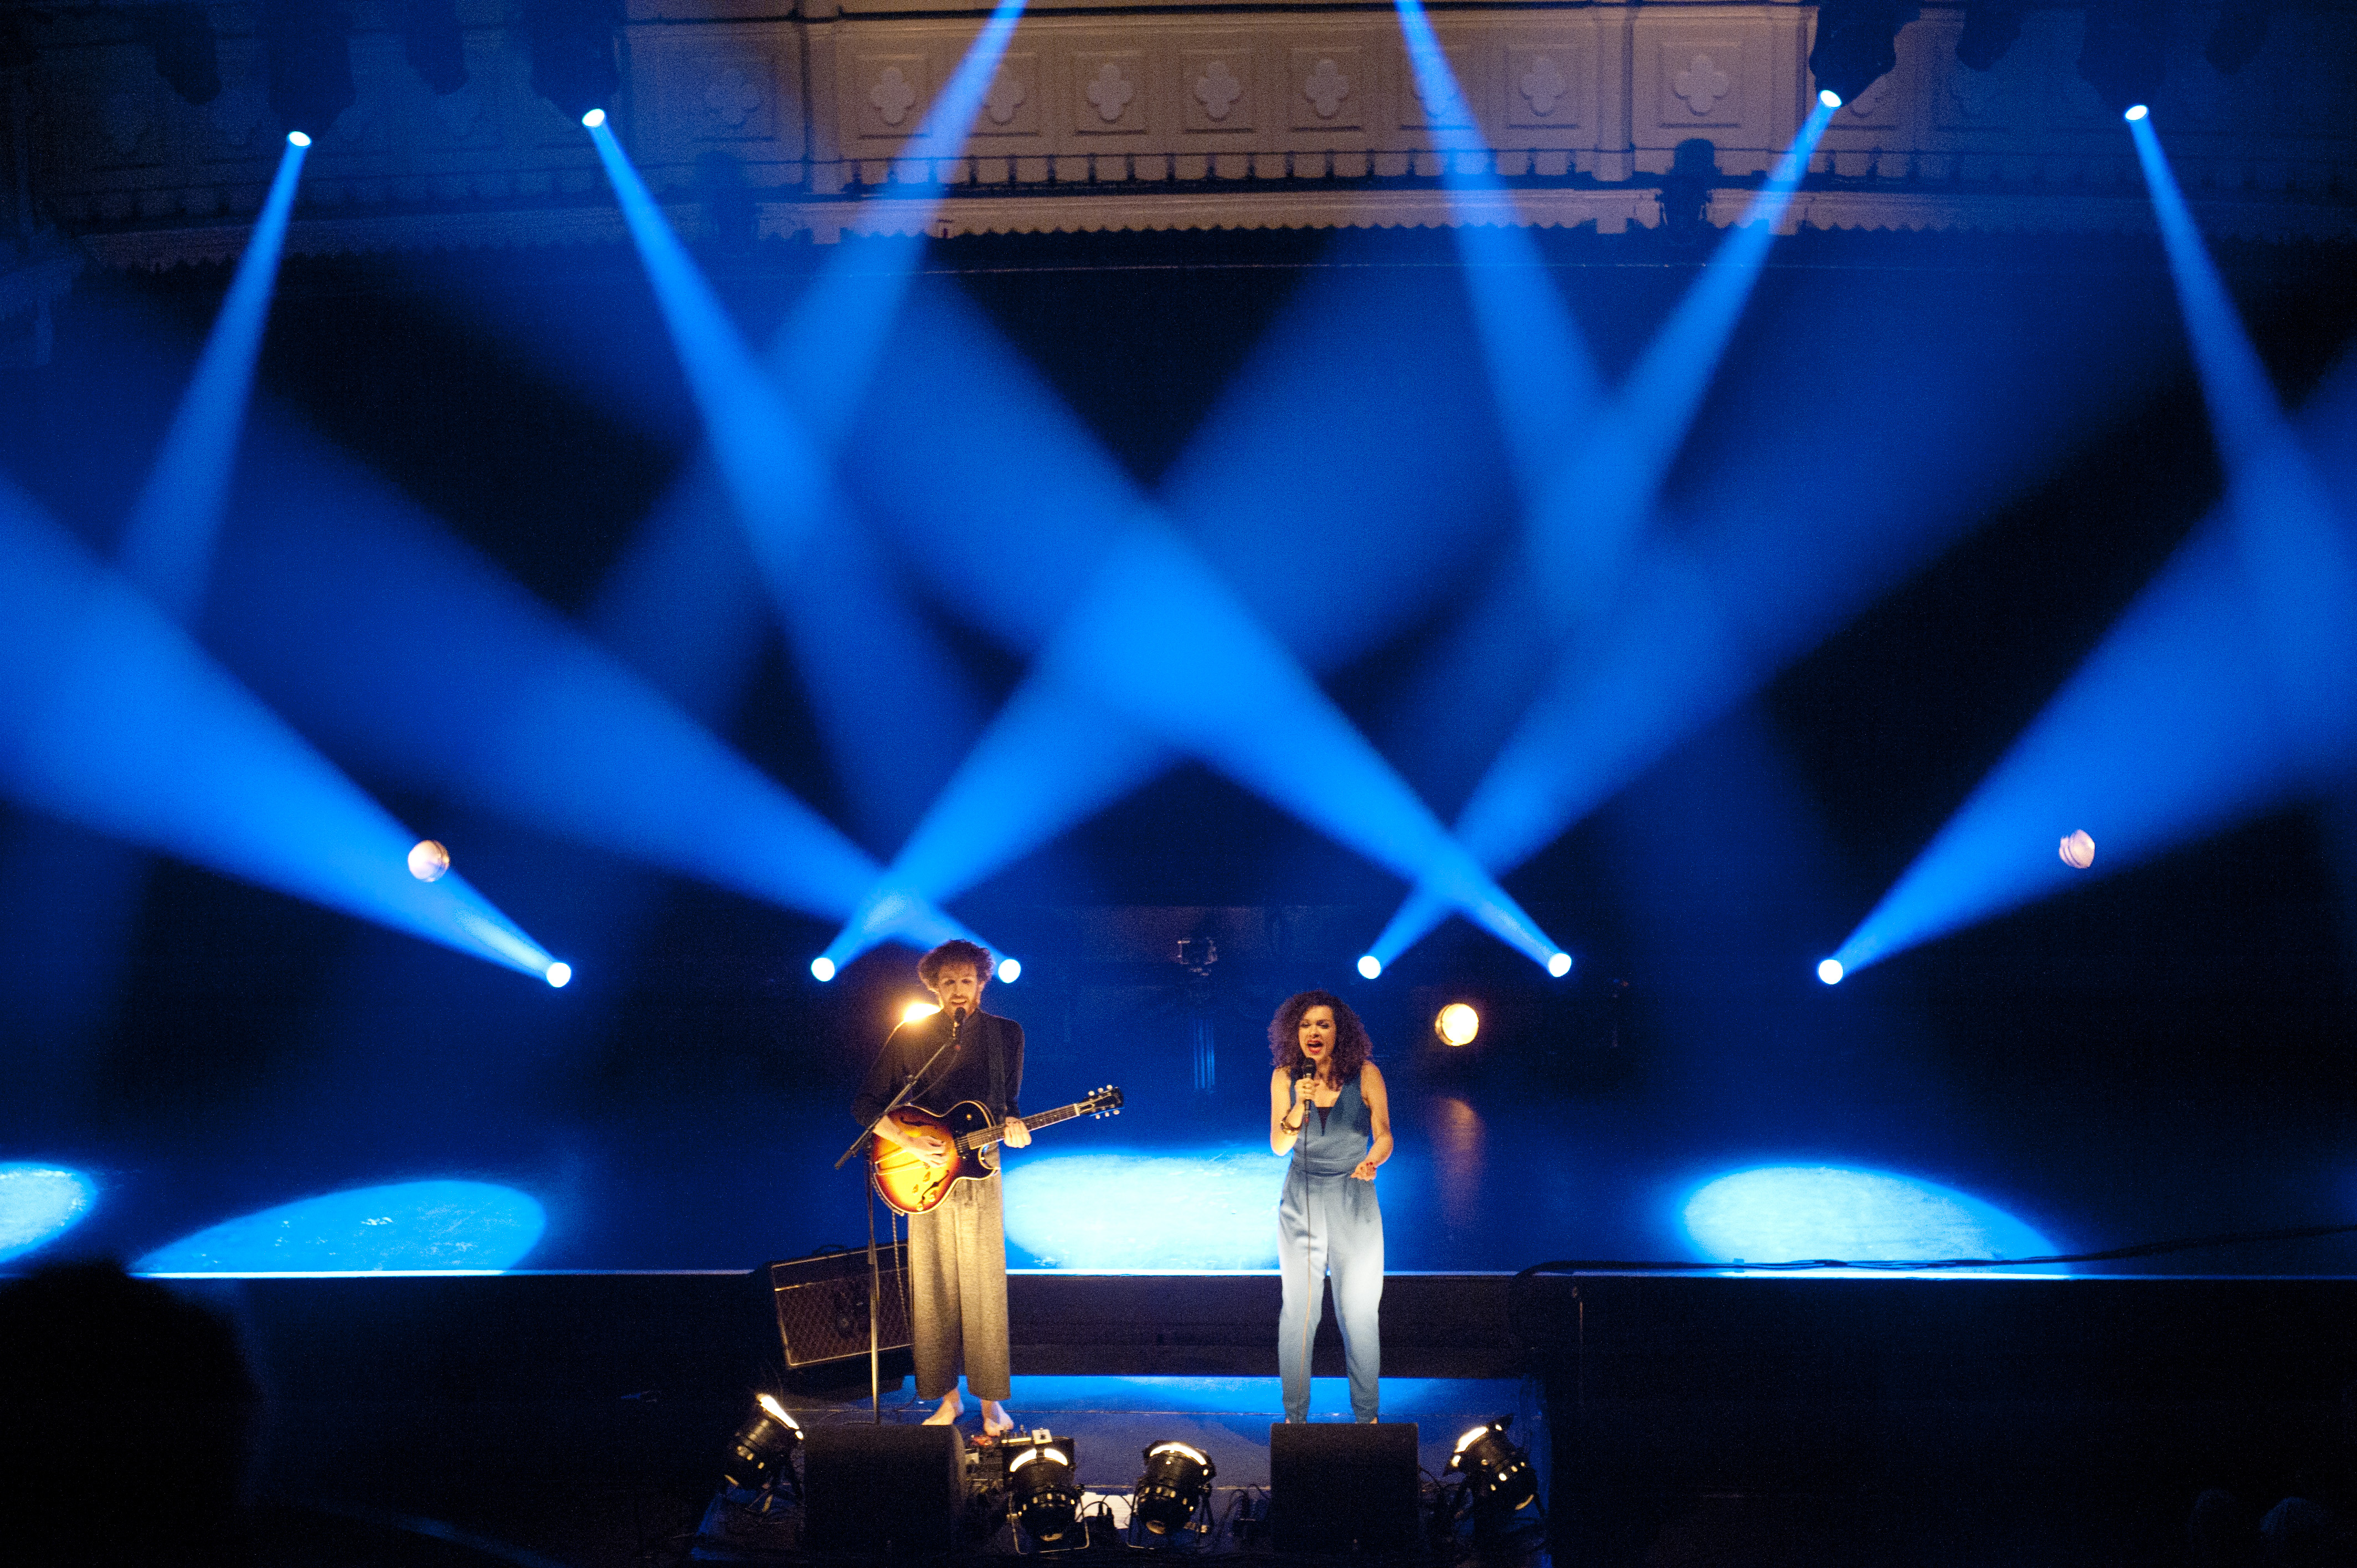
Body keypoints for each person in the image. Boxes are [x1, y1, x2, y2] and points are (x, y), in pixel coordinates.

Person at [851, 938, 1029, 1438]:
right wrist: (906, 1139)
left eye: (966, 981)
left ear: (981, 983)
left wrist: (1013, 1127)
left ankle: (993, 1407)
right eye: (947, 982)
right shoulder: (911, 1035)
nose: (957, 990)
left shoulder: (1005, 1035)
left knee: (984, 1290)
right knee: (931, 1289)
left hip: (980, 1167)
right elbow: (866, 1107)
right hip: (921, 1169)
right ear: (932, 986)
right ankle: (947, 1400)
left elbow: (1008, 1104)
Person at [1269, 989, 1392, 1423]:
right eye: (1305, 1025)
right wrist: (1297, 1110)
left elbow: (1384, 1135)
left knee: (1358, 1312)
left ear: (1340, 1031)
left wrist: (1373, 1159)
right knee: (1299, 1312)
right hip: (1301, 1199)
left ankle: (1367, 1418)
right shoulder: (1286, 1079)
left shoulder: (1366, 1074)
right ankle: (1295, 1420)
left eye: (1323, 1024)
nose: (1313, 1033)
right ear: (1294, 1033)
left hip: (1353, 1196)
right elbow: (1279, 1146)